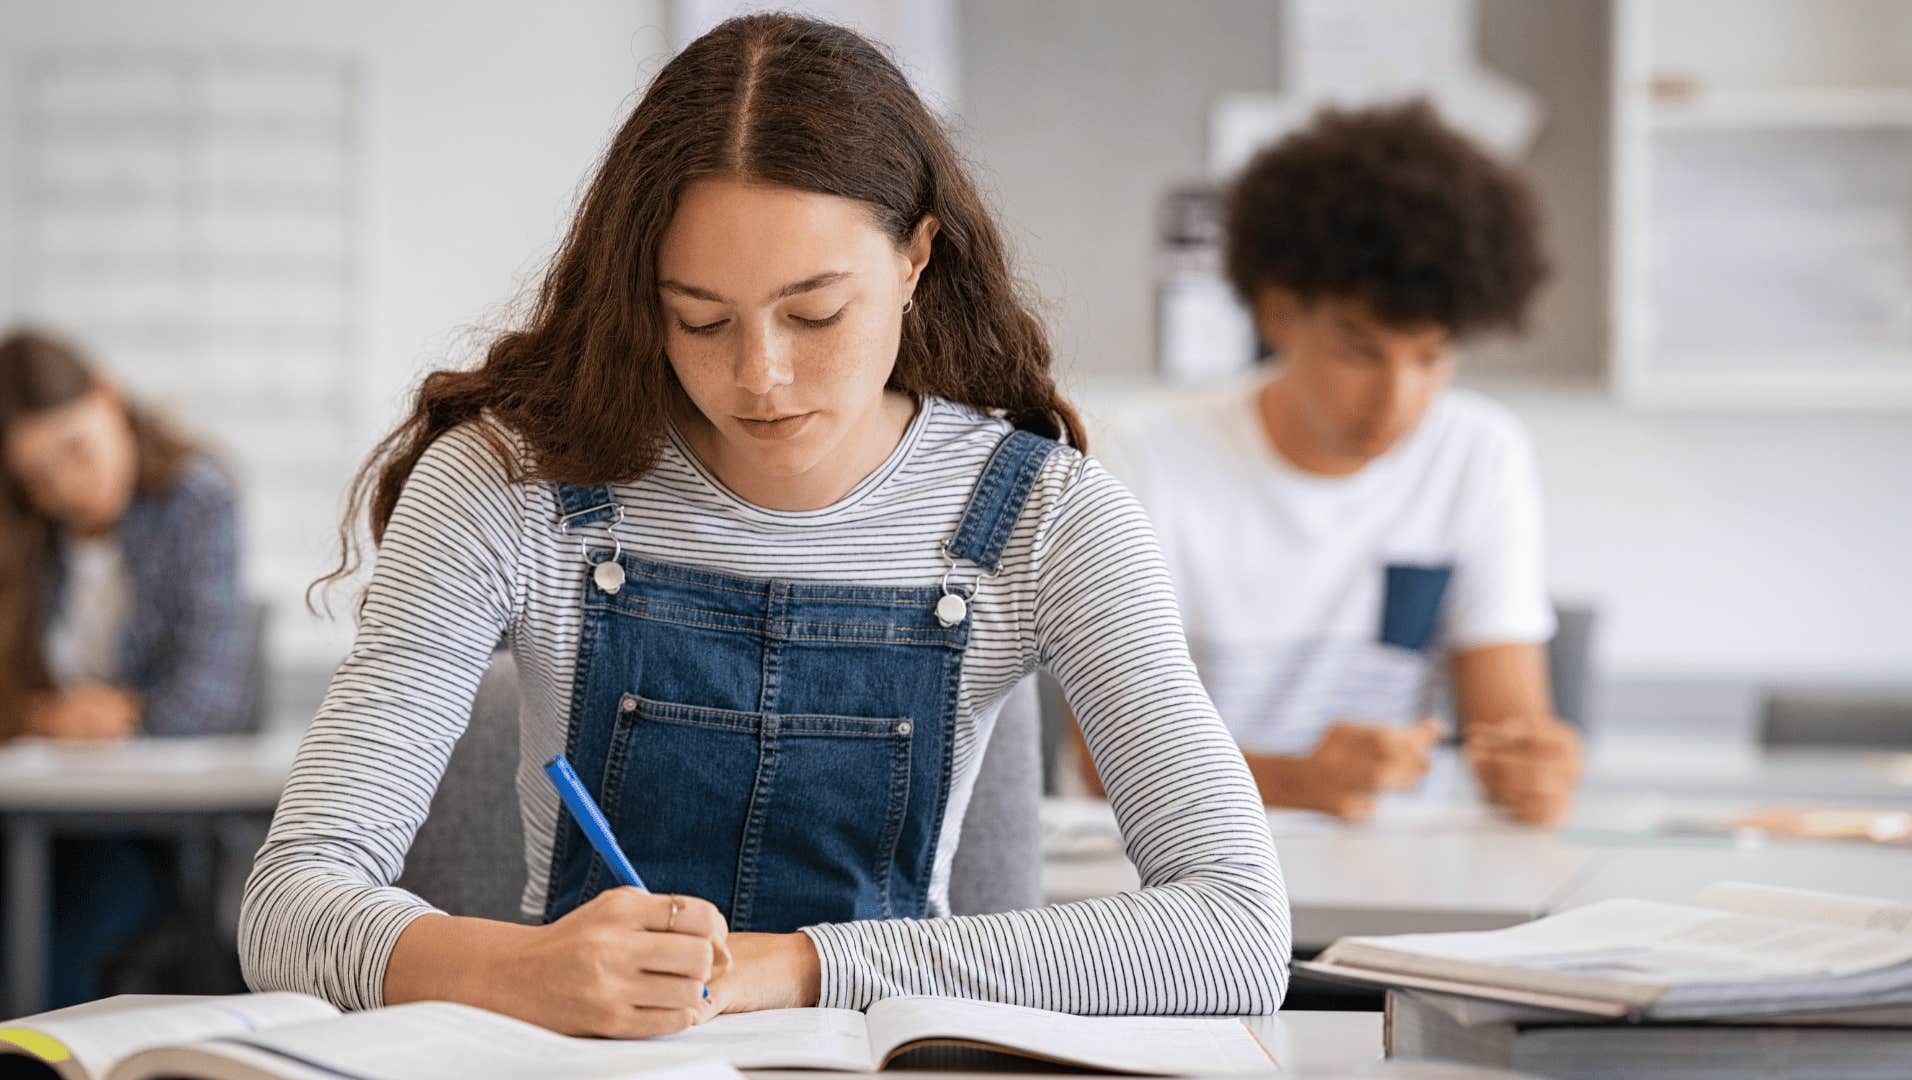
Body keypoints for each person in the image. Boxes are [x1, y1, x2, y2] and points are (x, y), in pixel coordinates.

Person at [239, 13, 1288, 1038]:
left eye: (815, 314)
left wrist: (795, 966)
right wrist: (513, 970)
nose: (760, 376)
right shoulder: (506, 485)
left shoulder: (1048, 519)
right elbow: (289, 907)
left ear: (916, 259)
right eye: (699, 318)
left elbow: (1236, 932)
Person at [1088, 102, 1581, 825]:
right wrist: (1299, 781)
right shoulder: (1143, 455)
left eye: (1431, 356)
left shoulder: (1478, 453)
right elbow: (1104, 760)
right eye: (1360, 350)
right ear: (1279, 312)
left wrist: (1533, 770)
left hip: (1400, 875)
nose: (1398, 398)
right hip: (1186, 877)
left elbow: (1507, 729)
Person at [0, 327, 255, 1005]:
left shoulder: (197, 498)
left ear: (108, 398)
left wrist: (117, 718)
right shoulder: (25, 532)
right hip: (35, 818)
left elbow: (211, 698)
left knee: (59, 929)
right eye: (36, 476)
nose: (64, 488)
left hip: (153, 830)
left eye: (75, 451)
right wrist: (44, 716)